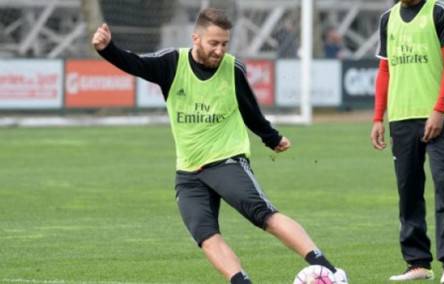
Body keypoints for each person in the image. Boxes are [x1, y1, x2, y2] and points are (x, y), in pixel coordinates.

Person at [92, 8, 348, 284]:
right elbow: (136, 64)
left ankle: (329, 272)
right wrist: (107, 49)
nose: (219, 50)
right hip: (188, 171)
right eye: (213, 43)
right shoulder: (171, 63)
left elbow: (249, 109)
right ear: (196, 39)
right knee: (204, 235)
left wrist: (271, 138)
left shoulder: (232, 68)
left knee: (263, 215)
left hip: (226, 159)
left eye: (224, 44)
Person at [371, 0, 444, 282]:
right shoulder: (388, 18)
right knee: (408, 191)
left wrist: (438, 109)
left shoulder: (440, 10)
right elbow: (385, 70)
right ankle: (417, 263)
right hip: (401, 118)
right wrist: (378, 117)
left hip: (440, 116)